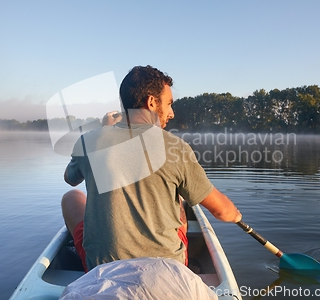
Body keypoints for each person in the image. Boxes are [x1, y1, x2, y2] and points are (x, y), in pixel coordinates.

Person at [61, 65, 241, 272]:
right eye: (169, 104)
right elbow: (222, 211)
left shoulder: (89, 141)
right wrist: (235, 215)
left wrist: (105, 130)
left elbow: (70, 178)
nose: (172, 113)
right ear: (152, 102)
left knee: (71, 196)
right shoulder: (176, 147)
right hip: (167, 267)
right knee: (179, 198)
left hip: (102, 268)